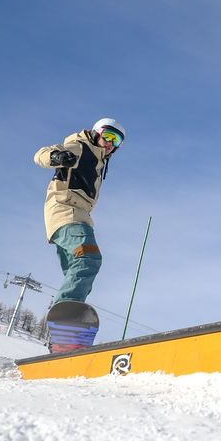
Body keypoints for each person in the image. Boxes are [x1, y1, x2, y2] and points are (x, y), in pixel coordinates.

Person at [34, 118, 126, 304]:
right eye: (108, 136)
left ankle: (65, 312)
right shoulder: (80, 147)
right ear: (96, 132)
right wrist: (57, 157)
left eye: (116, 141)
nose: (110, 143)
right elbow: (40, 155)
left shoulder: (99, 161)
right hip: (66, 213)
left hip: (77, 218)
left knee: (76, 270)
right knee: (89, 258)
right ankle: (67, 308)